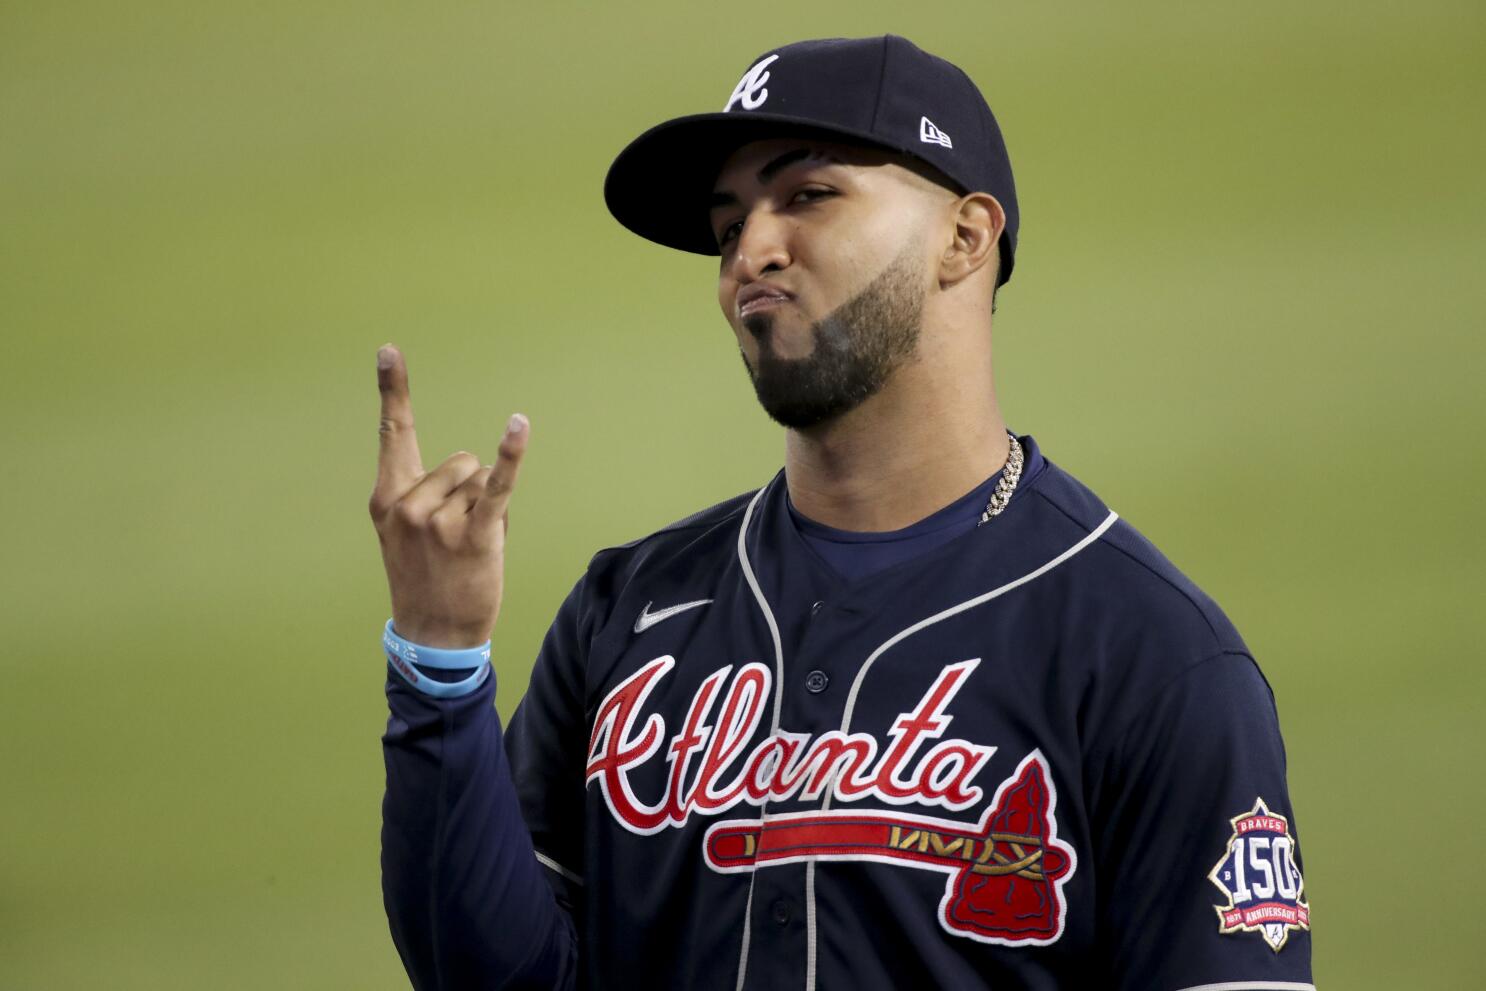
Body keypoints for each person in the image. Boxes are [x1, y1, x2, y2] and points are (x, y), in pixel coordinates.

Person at [371, 35, 1313, 991]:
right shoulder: (628, 610)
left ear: (966, 237)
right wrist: (441, 662)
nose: (752, 252)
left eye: (808, 196)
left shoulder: (1150, 652)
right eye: (727, 223)